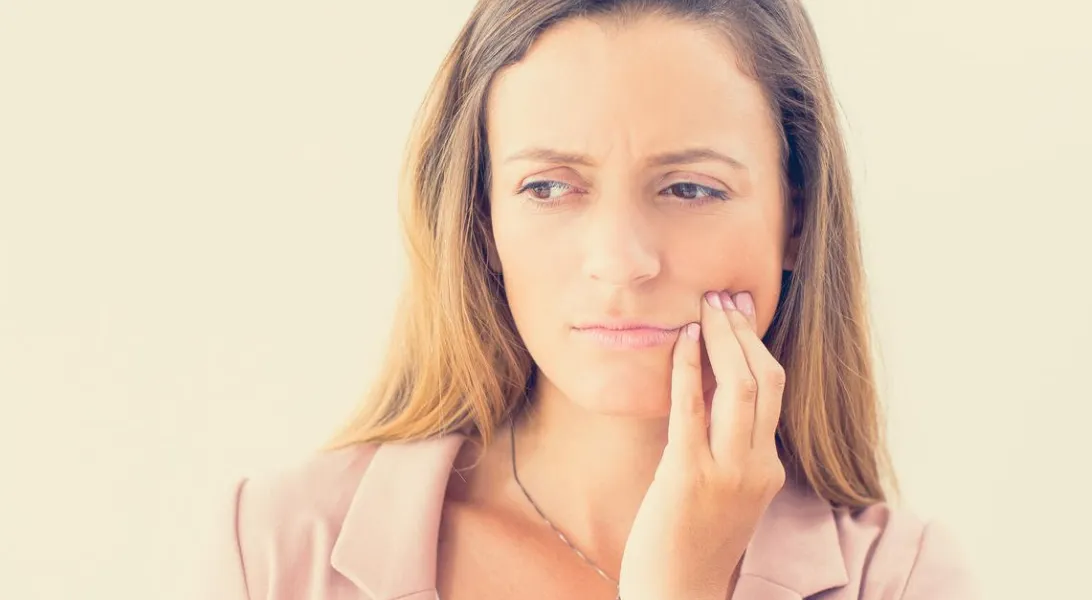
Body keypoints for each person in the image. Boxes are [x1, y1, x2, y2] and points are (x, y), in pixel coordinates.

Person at [209, 1, 978, 598]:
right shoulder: (279, 552)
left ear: (797, 221)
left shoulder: (900, 580)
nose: (620, 263)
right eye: (547, 187)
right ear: (481, 218)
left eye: (689, 188)